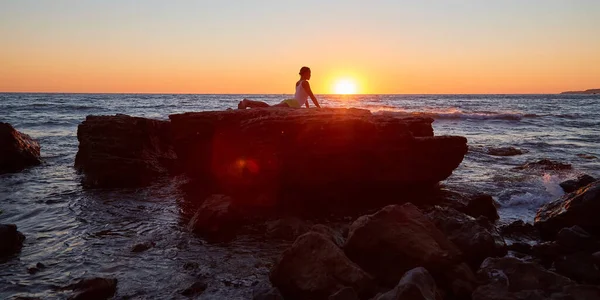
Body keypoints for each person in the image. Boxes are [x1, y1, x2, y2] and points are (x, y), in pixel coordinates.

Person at [238, 66, 321, 109]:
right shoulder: (305, 83)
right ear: (304, 73)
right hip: (293, 104)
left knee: (270, 108)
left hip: (291, 102)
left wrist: (307, 108)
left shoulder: (298, 83)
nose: (310, 75)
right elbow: (311, 96)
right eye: (309, 73)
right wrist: (319, 108)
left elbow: (303, 97)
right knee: (269, 108)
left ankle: (248, 104)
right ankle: (247, 101)